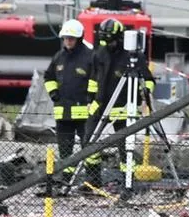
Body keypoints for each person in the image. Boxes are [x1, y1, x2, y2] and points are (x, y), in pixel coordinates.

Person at [86, 18, 154, 183]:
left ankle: (127, 179)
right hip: (99, 105)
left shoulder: (132, 56)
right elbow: (94, 79)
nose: (108, 44)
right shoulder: (100, 53)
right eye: (105, 40)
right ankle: (93, 179)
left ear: (119, 38)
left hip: (124, 107)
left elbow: (148, 80)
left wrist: (143, 95)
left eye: (111, 40)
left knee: (125, 147)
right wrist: (90, 99)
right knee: (89, 141)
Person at [44, 19, 98, 174]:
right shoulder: (58, 57)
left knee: (90, 150)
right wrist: (54, 94)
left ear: (79, 38)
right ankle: (66, 179)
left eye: (71, 38)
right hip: (63, 113)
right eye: (66, 38)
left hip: (85, 113)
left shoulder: (90, 57)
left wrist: (90, 98)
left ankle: (93, 179)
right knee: (65, 151)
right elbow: (48, 77)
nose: (68, 41)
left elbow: (96, 80)